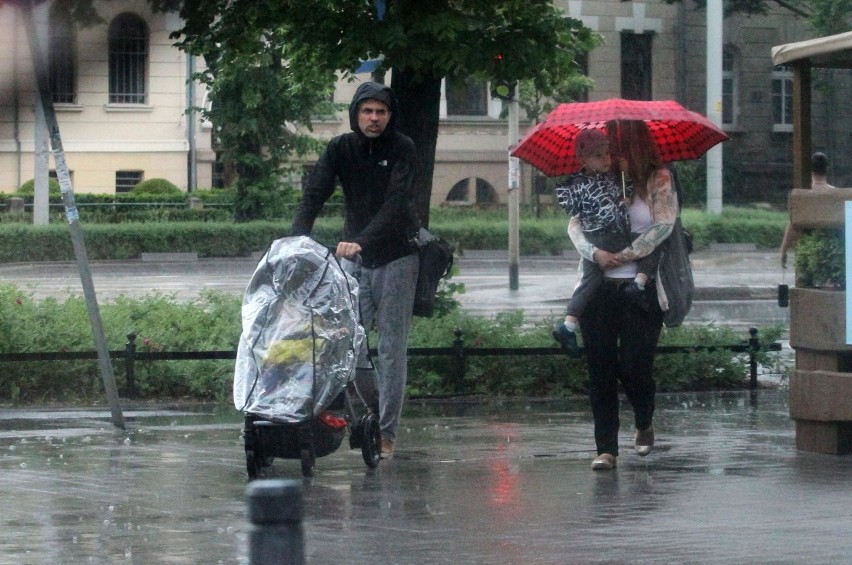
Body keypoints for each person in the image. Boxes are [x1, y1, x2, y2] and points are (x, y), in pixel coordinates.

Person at [291, 81, 420, 459]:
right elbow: (315, 193)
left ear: (390, 116)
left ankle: (387, 434)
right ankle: (374, 415)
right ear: (356, 114)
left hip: (397, 255)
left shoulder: (403, 149)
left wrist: (361, 240)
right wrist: (292, 241)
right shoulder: (340, 148)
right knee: (351, 344)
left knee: (392, 349)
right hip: (355, 258)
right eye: (367, 111)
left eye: (381, 112)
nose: (374, 118)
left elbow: (397, 203)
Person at [567, 119, 678, 471]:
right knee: (600, 369)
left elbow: (664, 227)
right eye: (609, 145)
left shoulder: (658, 178)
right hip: (599, 287)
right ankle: (606, 449)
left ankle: (644, 420)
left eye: (620, 145)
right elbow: (575, 225)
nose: (613, 153)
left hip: (640, 290)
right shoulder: (596, 178)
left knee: (635, 366)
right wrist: (594, 253)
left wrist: (627, 255)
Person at [553, 129, 662, 358]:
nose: (606, 159)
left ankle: (568, 325)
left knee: (591, 280)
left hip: (612, 237)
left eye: (607, 154)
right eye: (599, 155)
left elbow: (626, 193)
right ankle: (639, 284)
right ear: (583, 160)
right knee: (648, 247)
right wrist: (595, 251)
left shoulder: (612, 178)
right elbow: (575, 213)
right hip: (603, 237)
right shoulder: (580, 183)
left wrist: (624, 192)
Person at [780, 151, 836, 268]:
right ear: (827, 169)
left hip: (807, 251)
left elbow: (792, 224)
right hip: (832, 251)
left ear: (810, 170)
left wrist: (783, 250)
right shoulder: (835, 194)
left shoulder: (801, 195)